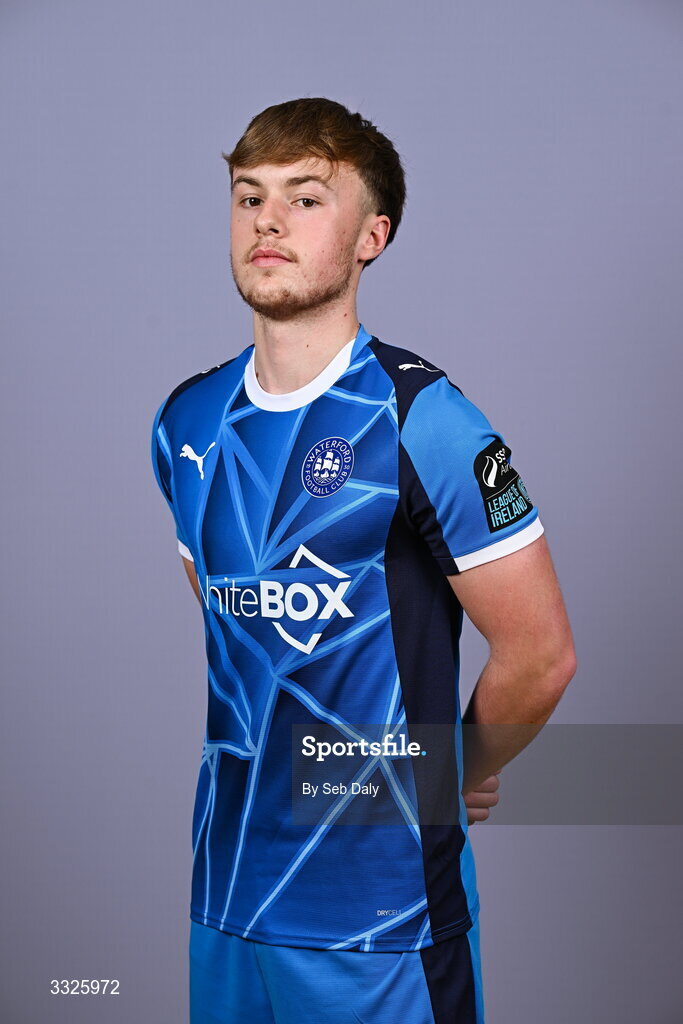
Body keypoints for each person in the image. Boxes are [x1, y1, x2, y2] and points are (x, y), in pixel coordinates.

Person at [150, 97, 577, 1024]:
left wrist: (442, 773)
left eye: (305, 198)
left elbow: (540, 655)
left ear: (370, 236)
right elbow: (238, 624)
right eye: (247, 195)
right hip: (225, 896)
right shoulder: (186, 422)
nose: (266, 219)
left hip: (378, 922)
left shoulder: (426, 422)